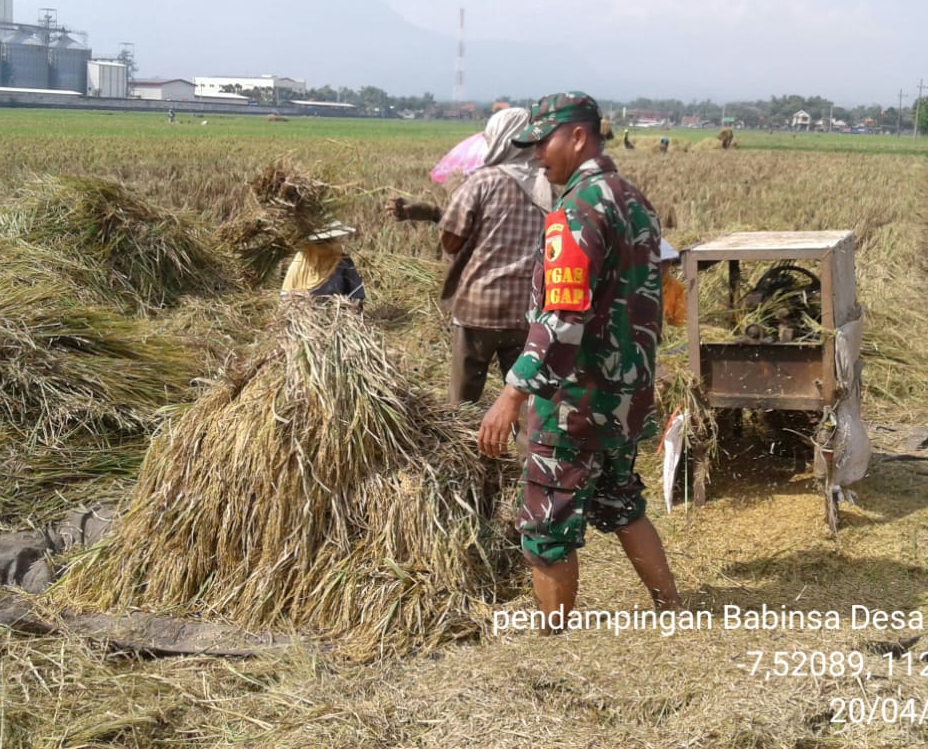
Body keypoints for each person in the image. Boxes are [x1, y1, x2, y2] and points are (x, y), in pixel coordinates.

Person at [479, 91, 682, 630]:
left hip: (576, 399)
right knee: (620, 499)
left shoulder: (578, 209)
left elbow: (563, 316)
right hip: (627, 394)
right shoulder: (633, 199)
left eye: (542, 141)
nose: (535, 155)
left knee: (545, 527)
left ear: (577, 136)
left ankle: (555, 638)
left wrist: (513, 392)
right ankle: (671, 606)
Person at [389, 107, 552, 403]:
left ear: (501, 140)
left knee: (463, 401)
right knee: (523, 400)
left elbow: (451, 242)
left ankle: (468, 446)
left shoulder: (482, 182)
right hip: (529, 311)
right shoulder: (550, 186)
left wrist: (452, 198)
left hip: (480, 308)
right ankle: (527, 450)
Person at [280, 219, 365, 308]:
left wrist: (347, 305)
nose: (324, 246)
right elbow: (285, 296)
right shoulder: (300, 261)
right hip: (305, 315)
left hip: (336, 315)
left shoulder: (343, 261)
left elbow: (357, 294)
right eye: (319, 243)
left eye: (328, 241)